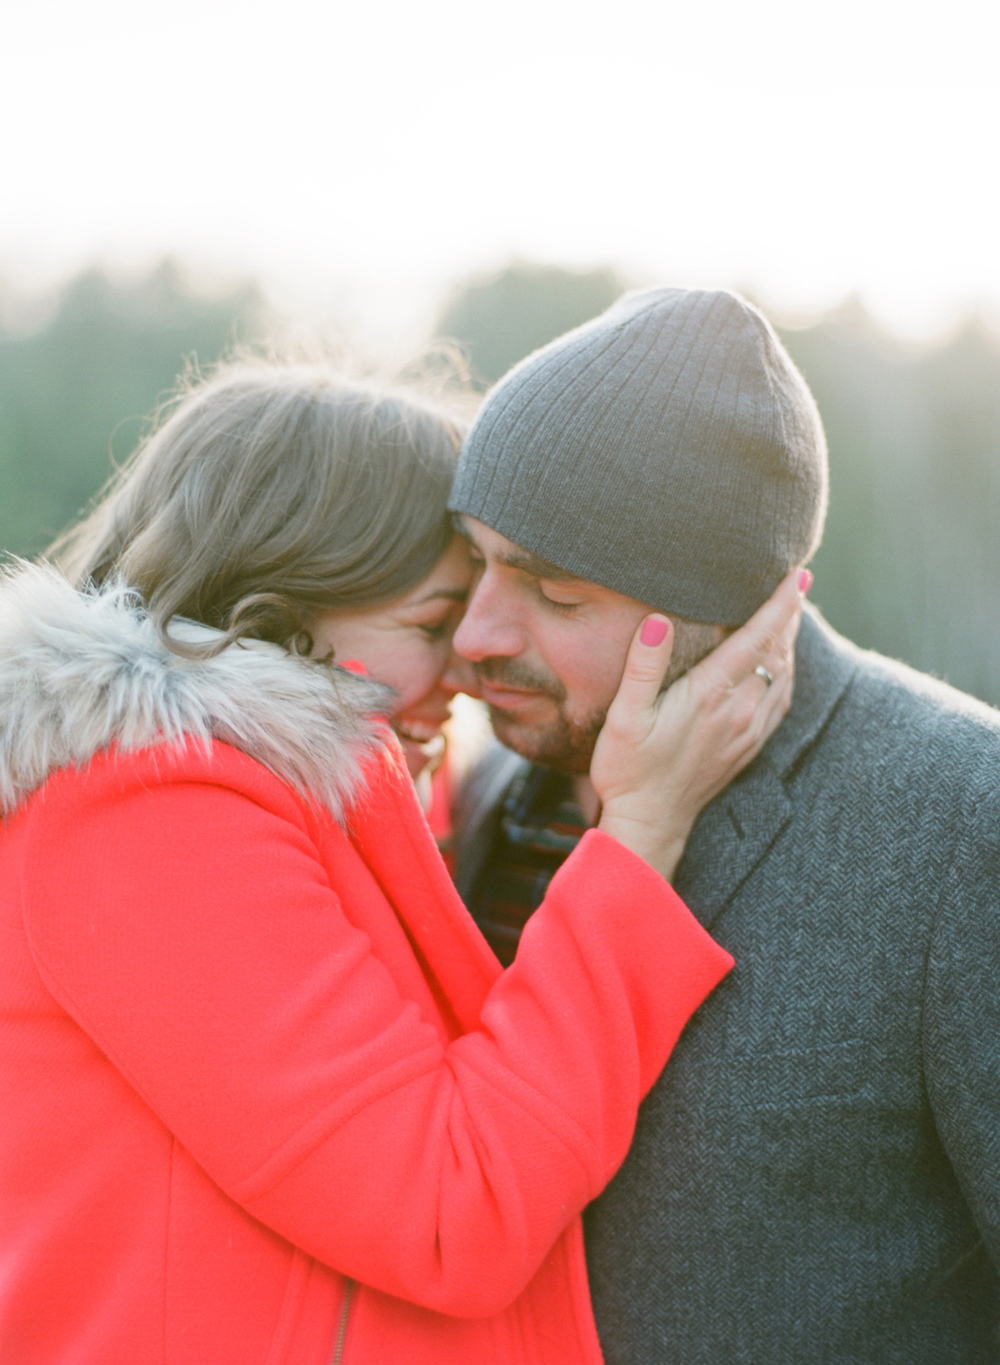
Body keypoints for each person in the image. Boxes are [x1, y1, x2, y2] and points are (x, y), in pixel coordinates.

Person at [0, 359, 803, 1365]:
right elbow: (445, 1214)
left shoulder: (293, 798)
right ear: (277, 604)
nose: (472, 661)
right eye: (433, 622)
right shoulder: (147, 814)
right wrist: (639, 837)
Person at [448, 287, 1000, 1364]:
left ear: (726, 615)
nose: (476, 633)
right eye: (476, 558)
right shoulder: (484, 801)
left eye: (555, 596)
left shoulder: (958, 823)